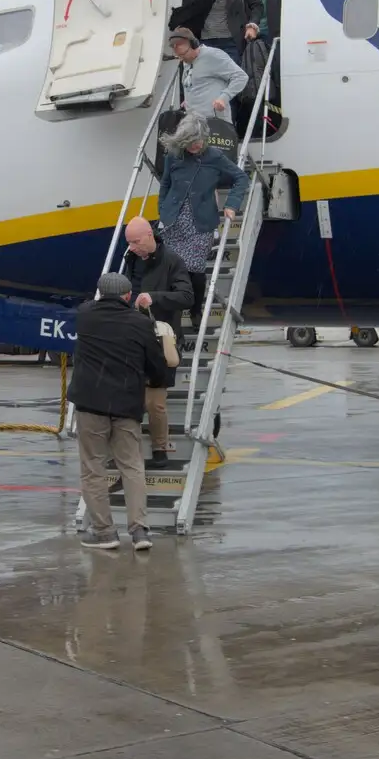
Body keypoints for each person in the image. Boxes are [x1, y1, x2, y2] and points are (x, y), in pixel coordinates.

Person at [69, 271, 171, 551]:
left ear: (101, 294)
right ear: (128, 296)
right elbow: (157, 366)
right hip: (126, 405)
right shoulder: (140, 323)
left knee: (93, 469)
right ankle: (140, 532)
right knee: (132, 468)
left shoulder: (85, 316)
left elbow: (90, 304)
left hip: (91, 404)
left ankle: (105, 533)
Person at [155, 112, 249, 336]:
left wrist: (232, 205)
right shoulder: (174, 156)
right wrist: (162, 210)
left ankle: (195, 309)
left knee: (195, 270)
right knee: (172, 273)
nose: (196, 147)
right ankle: (174, 326)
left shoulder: (214, 156)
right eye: (191, 144)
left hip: (201, 222)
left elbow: (241, 178)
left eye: (198, 143)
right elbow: (165, 185)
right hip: (174, 221)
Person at [121, 216, 192, 467]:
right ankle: (128, 452)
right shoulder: (130, 259)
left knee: (154, 402)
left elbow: (186, 296)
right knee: (129, 399)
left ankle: (160, 450)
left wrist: (155, 298)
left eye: (136, 241)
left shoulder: (172, 261)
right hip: (133, 337)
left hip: (160, 339)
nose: (132, 247)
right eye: (128, 242)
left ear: (150, 236)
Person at [168, 27, 249, 126]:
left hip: (215, 123)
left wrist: (224, 97)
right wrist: (189, 100)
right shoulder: (187, 61)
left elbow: (241, 76)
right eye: (178, 56)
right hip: (193, 125)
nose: (181, 59)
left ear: (194, 45)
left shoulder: (213, 55)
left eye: (183, 55)